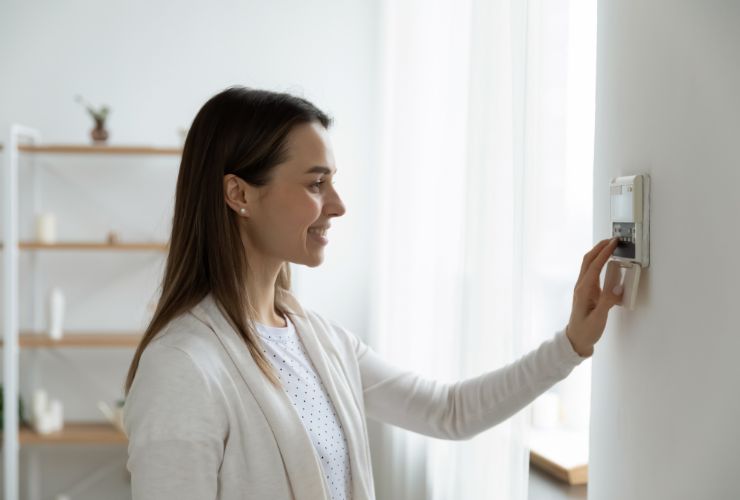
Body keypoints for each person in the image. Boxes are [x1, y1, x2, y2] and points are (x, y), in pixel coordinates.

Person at [122, 86, 623, 500]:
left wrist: (572, 343)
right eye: (316, 184)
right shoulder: (183, 367)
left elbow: (449, 411)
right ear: (239, 194)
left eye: (332, 183)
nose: (337, 205)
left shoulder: (317, 341)